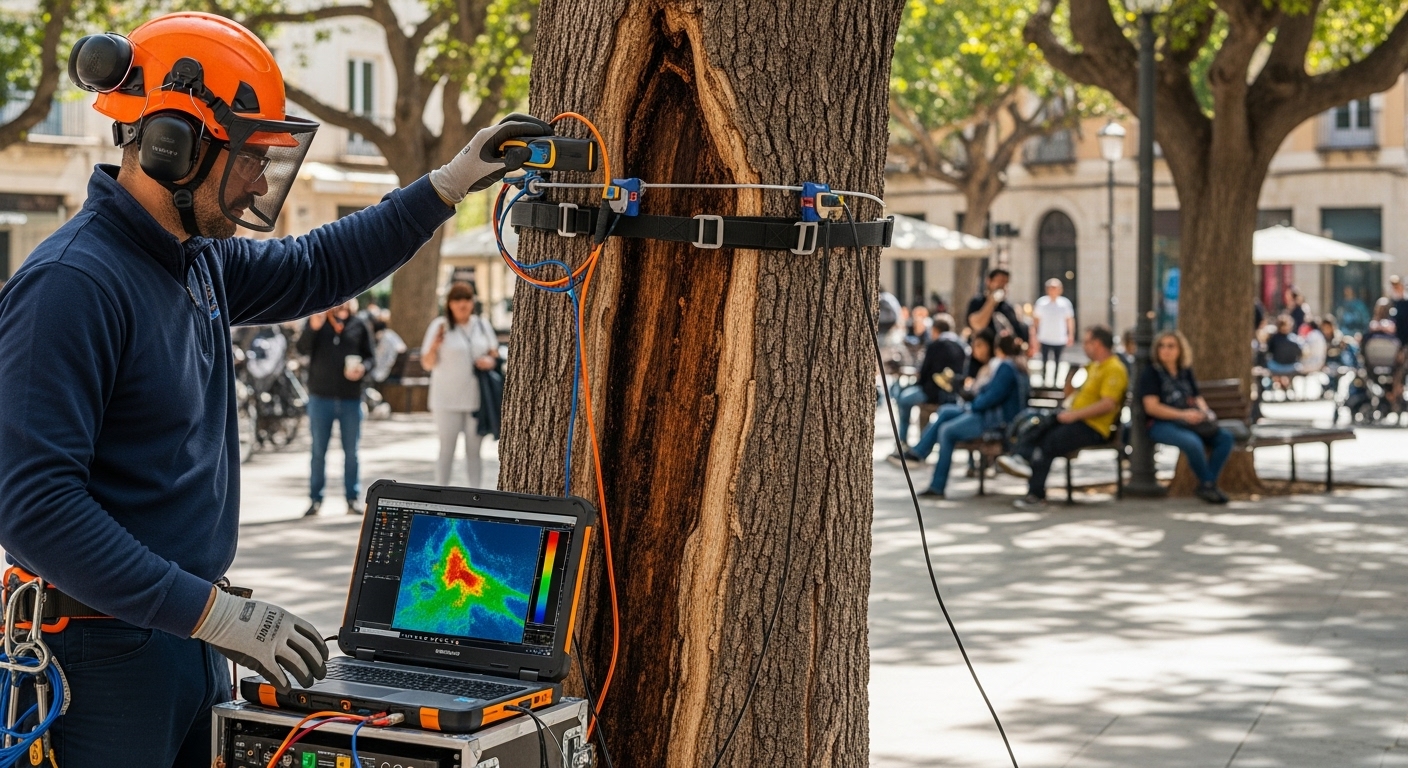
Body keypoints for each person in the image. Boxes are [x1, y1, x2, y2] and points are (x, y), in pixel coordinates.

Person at [0, 13, 551, 764]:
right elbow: (34, 509)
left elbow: (319, 265)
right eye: (250, 156)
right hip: (103, 661)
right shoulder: (72, 286)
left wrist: (448, 184)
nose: (262, 180)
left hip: (185, 639)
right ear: (173, 146)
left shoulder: (194, 260)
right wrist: (216, 615)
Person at [998, 326, 1127, 509]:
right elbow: (1075, 394)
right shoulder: (1093, 366)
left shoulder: (1114, 368)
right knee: (1039, 423)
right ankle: (1020, 457)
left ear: (1097, 344)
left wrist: (1074, 416)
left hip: (1093, 426)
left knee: (1049, 443)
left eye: (1087, 342)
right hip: (1075, 418)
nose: (1084, 347)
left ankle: (1035, 494)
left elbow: (1108, 404)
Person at [899, 334, 1028, 498]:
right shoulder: (1017, 365)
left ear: (999, 349)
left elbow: (992, 396)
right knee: (946, 411)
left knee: (947, 431)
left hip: (996, 421)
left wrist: (972, 406)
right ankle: (919, 452)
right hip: (992, 414)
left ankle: (937, 485)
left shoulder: (1007, 367)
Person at [297, 299, 375, 516]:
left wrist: (363, 368)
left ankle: (352, 498)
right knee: (318, 451)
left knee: (352, 453)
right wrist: (313, 326)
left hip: (350, 399)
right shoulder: (318, 321)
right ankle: (315, 499)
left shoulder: (359, 325)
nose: (342, 305)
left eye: (346, 301)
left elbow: (371, 358)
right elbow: (301, 348)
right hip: (320, 398)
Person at [1138, 331, 1233, 504]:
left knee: (1225, 438)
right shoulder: (1151, 372)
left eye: (1171, 346)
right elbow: (1151, 407)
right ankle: (1208, 483)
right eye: (1161, 346)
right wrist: (1183, 414)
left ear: (1180, 349)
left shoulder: (1185, 371)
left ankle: (1207, 484)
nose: (1165, 350)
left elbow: (1197, 397)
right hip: (1162, 423)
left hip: (1191, 422)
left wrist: (1204, 413)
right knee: (1193, 443)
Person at [422, 282, 500, 488]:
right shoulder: (440, 326)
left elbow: (495, 354)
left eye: (466, 299)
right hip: (446, 400)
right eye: (457, 300)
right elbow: (427, 363)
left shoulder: (481, 325)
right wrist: (434, 346)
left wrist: (489, 362)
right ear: (449, 304)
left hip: (475, 400)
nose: (462, 304)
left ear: (473, 302)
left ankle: (476, 497)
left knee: (474, 452)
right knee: (446, 449)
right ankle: (441, 494)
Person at [893, 314, 967, 445]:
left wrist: (919, 381)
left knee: (903, 399)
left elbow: (924, 372)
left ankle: (902, 441)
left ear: (935, 330)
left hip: (932, 392)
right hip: (954, 393)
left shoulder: (935, 345)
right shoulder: (961, 346)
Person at [1031, 277, 1076, 386]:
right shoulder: (1041, 303)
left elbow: (1069, 320)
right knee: (1044, 360)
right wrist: (1034, 335)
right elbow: (1036, 321)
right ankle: (1044, 381)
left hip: (1059, 338)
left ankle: (1055, 382)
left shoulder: (1065, 303)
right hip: (1044, 337)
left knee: (1057, 361)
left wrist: (1070, 335)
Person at [965, 267, 1028, 339]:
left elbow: (1017, 333)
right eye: (1000, 282)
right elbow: (977, 326)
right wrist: (991, 302)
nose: (1003, 286)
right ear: (989, 281)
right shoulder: (977, 302)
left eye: (1006, 283)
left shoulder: (1008, 308)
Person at [1265, 315, 1303, 389]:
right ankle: (1284, 384)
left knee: (1269, 362)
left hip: (1278, 367)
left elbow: (1269, 351)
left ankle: (1280, 384)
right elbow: (1300, 353)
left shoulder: (1274, 338)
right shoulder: (1295, 339)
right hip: (1291, 367)